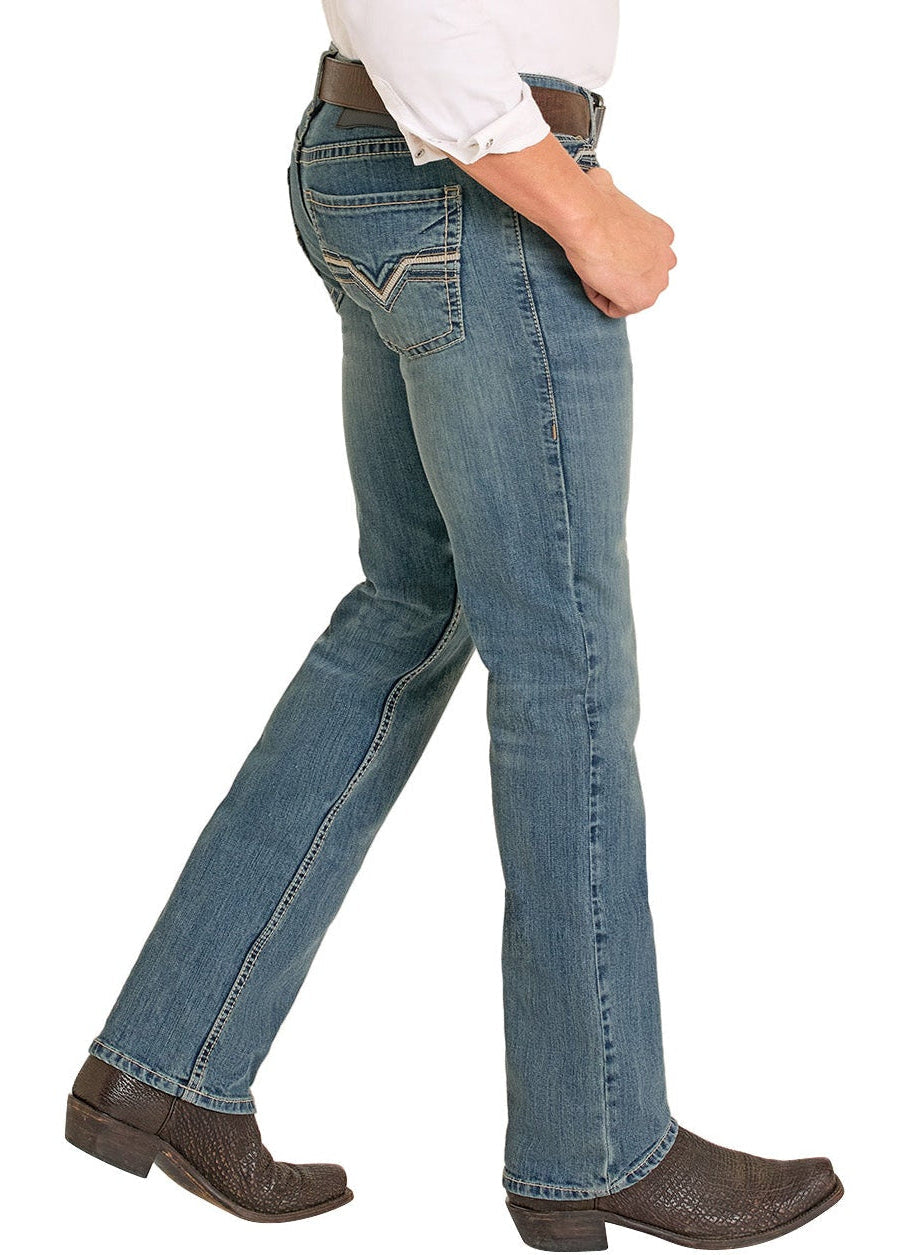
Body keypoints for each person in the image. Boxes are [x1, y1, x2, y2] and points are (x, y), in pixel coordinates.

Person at [65, 2, 844, 1247]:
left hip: (403, 164)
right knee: (566, 662)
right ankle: (591, 1142)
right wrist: (575, 202)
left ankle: (161, 1065)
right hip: (484, 181)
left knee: (409, 614)